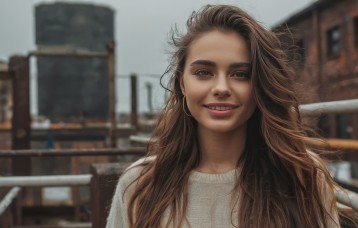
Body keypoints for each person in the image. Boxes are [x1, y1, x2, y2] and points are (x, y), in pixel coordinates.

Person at [107, 4, 340, 228]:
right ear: (182, 83)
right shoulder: (140, 184)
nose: (221, 87)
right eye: (203, 72)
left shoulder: (303, 175)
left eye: (240, 74)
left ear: (260, 84)